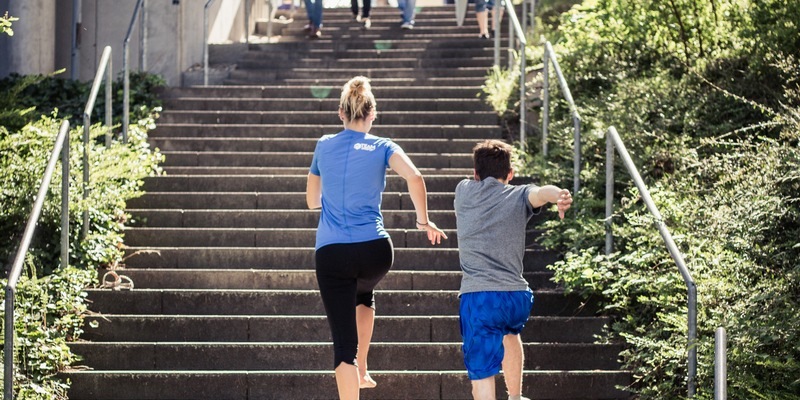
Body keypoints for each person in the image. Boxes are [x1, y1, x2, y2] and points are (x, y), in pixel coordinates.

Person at [306, 76, 448, 400]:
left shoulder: (324, 144)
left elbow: (312, 201)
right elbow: (415, 176)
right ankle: (364, 368)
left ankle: (354, 366)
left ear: (340, 113)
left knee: (343, 344)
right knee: (364, 292)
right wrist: (423, 220)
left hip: (332, 252)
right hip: (376, 251)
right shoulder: (383, 145)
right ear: (372, 115)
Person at [454, 139, 572, 400]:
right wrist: (560, 197)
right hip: (516, 297)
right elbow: (542, 193)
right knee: (509, 334)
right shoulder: (519, 194)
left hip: (481, 296)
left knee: (482, 370)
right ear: (510, 174)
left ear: (475, 174)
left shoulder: (462, 190)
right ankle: (515, 397)